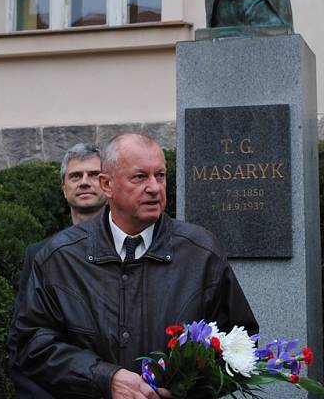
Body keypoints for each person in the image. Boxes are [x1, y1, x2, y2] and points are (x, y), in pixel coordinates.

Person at [14, 133, 257, 399]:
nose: (154, 187)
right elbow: (32, 345)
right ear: (107, 185)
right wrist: (105, 379)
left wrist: (189, 388)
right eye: (140, 177)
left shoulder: (201, 252)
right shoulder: (60, 257)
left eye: (160, 176)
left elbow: (241, 343)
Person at [9, 142, 107, 398]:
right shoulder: (40, 254)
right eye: (75, 176)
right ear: (64, 189)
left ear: (108, 184)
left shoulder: (132, 246)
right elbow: (23, 340)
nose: (84, 182)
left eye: (93, 174)